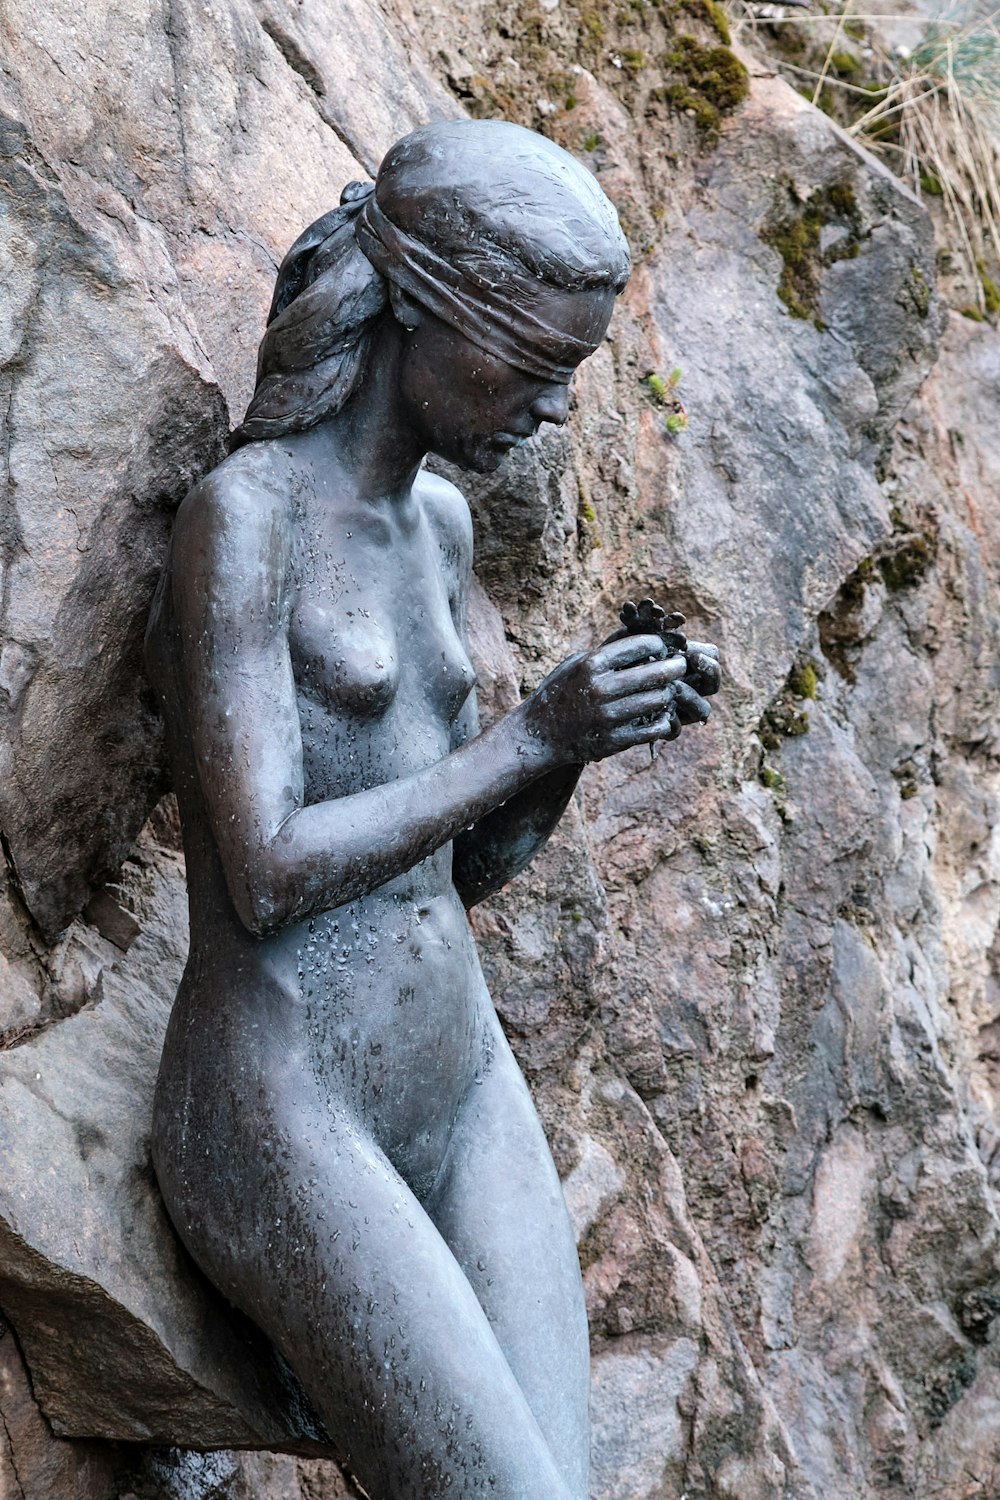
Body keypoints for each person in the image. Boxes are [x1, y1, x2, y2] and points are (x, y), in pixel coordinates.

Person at [146, 118, 718, 1500]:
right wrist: (529, 732)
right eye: (532, 365)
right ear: (421, 310)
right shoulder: (249, 518)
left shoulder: (442, 530)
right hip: (287, 1101)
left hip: (455, 1078)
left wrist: (579, 744)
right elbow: (268, 874)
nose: (553, 407)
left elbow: (455, 872)